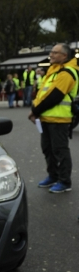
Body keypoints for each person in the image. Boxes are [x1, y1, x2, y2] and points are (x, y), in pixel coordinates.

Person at [30, 43, 79, 193]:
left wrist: (35, 110)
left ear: (64, 56)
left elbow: (54, 97)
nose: (51, 54)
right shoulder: (54, 70)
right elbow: (43, 93)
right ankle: (53, 176)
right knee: (48, 149)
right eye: (51, 52)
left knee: (60, 150)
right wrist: (36, 110)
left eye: (55, 52)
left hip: (59, 119)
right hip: (47, 118)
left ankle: (65, 181)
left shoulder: (67, 72)